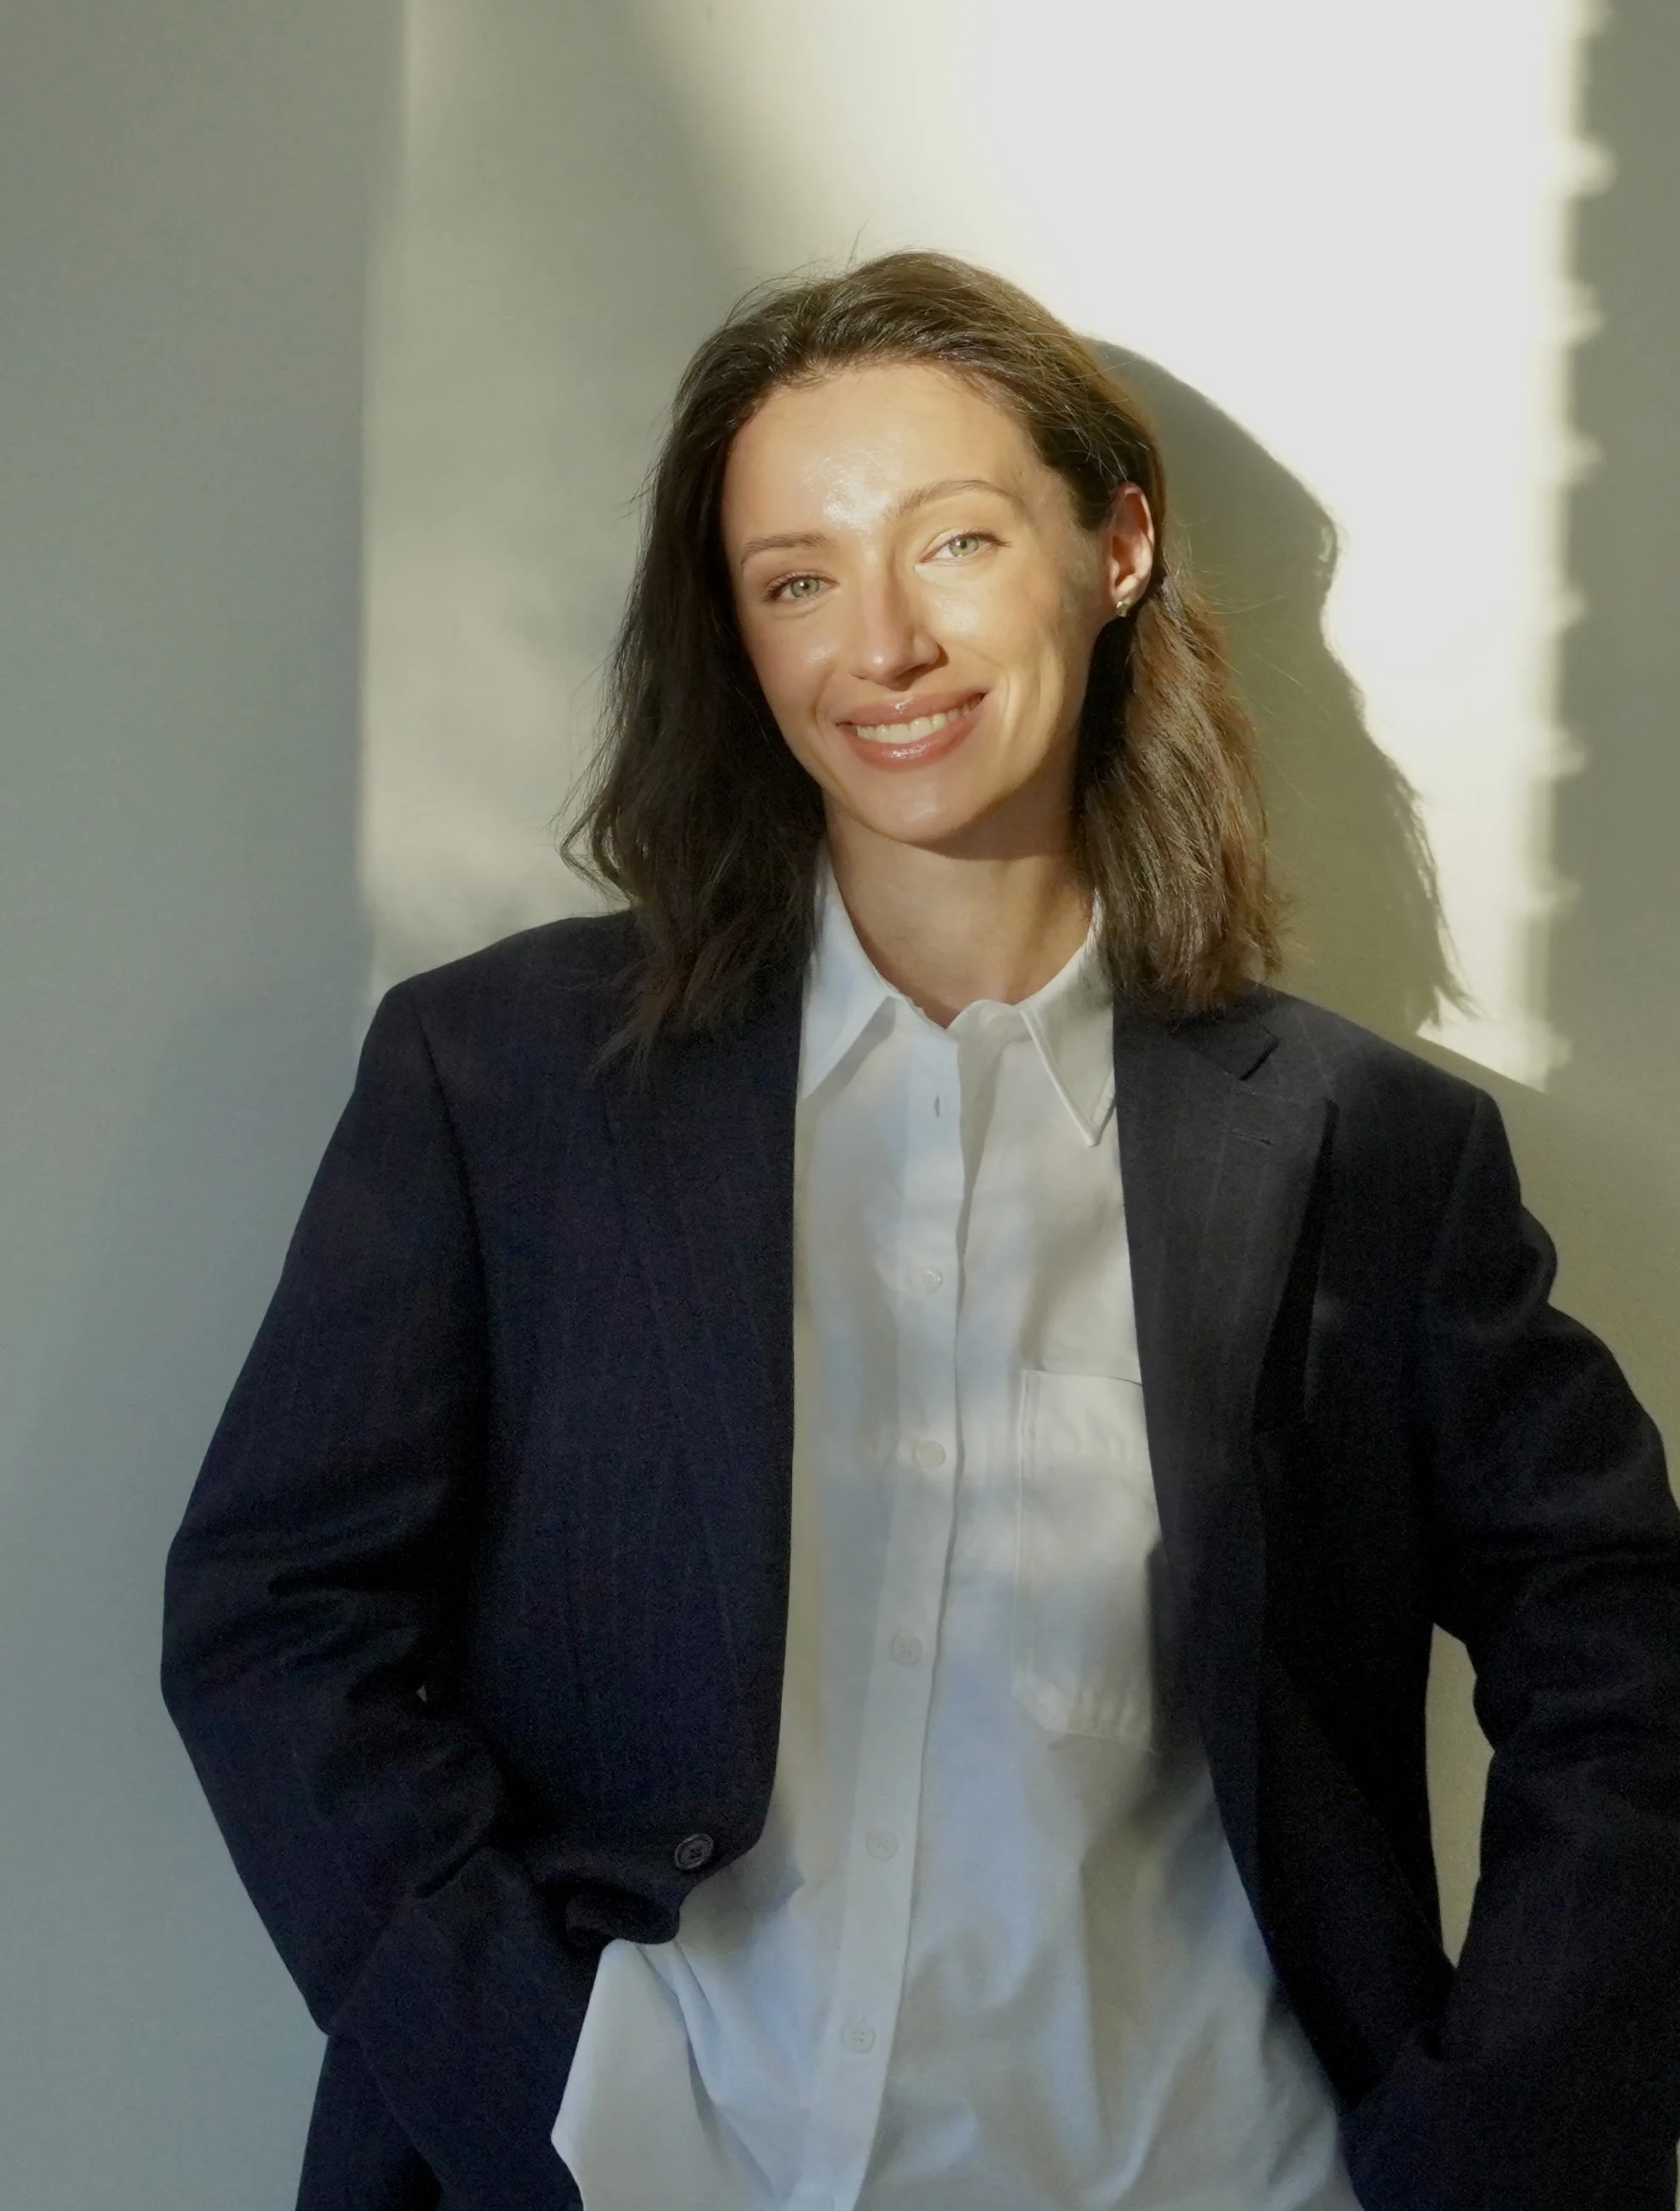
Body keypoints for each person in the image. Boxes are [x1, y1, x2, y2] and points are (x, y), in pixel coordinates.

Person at [161, 251, 1680, 2211]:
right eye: (794, 576)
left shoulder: (1364, 1149)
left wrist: (1500, 2143)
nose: (877, 644)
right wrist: (549, 2084)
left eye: (952, 542)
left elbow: (1620, 1639)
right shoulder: (504, 1083)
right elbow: (276, 1615)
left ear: (1111, 545)